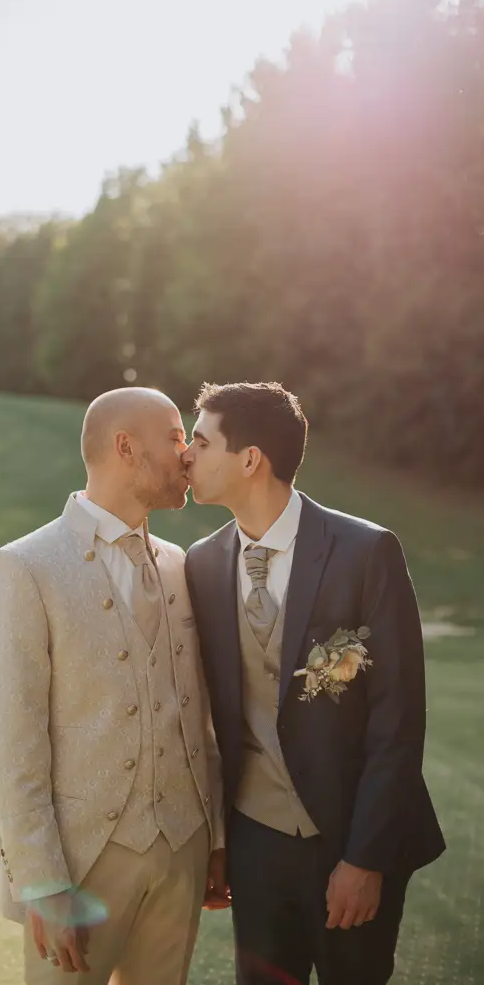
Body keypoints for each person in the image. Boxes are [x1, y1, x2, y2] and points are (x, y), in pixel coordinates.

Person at [182, 380, 445, 985]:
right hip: (256, 841)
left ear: (250, 459)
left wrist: (365, 858)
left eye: (200, 440)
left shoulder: (366, 551)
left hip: (350, 839)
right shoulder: (200, 562)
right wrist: (221, 842)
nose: (186, 455)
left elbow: (398, 721)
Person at [0, 386, 224, 985]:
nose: (188, 452)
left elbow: (199, 715)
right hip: (78, 867)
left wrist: (212, 839)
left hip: (181, 855)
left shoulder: (179, 564)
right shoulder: (24, 567)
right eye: (173, 436)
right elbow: (12, 739)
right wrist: (41, 880)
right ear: (124, 447)